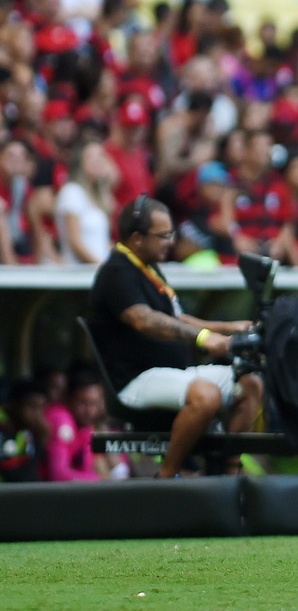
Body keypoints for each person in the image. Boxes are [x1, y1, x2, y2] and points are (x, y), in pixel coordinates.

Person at [88, 195, 263, 478]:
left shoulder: (148, 267)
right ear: (136, 238)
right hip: (136, 380)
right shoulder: (116, 272)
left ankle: (228, 472)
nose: (171, 241)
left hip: (174, 374)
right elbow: (144, 320)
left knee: (250, 383)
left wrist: (228, 328)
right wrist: (204, 338)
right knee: (207, 395)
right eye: (163, 235)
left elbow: (175, 318)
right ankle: (169, 476)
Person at [41, 365, 129, 481]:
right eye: (82, 402)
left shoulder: (87, 429)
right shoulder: (61, 418)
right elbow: (58, 474)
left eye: (93, 403)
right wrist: (102, 482)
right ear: (69, 399)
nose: (89, 410)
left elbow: (118, 474)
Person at [0, 378, 48, 482]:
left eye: (40, 407)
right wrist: (38, 439)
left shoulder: (26, 431)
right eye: (31, 406)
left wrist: (40, 440)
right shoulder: (3, 428)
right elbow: (15, 477)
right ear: (14, 404)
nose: (37, 413)